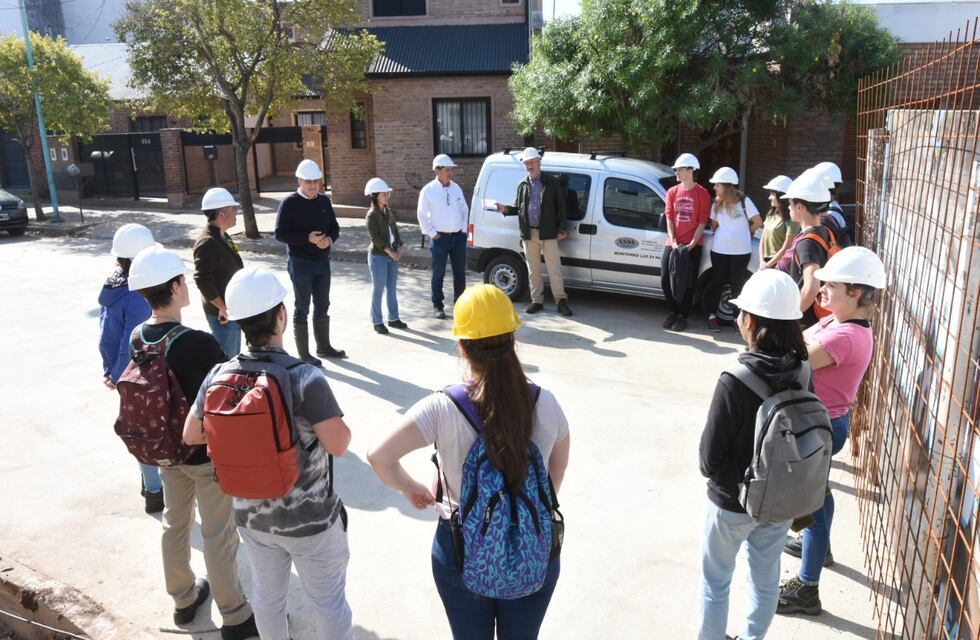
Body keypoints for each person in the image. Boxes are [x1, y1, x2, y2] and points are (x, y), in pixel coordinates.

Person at [367, 284, 571, 640]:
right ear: (513, 337)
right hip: (534, 550)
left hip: (461, 548)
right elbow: (557, 469)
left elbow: (379, 456)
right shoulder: (547, 403)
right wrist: (522, 514)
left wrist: (409, 487)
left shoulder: (443, 407)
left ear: (462, 346)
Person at [184, 267, 354, 640]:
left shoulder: (218, 374)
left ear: (238, 321)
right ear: (281, 315)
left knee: (268, 598)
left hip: (252, 518)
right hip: (311, 523)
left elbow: (191, 433)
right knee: (328, 604)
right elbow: (339, 443)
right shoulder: (304, 377)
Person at [127, 246, 257, 640]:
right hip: (203, 455)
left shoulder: (139, 337)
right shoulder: (196, 343)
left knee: (174, 524)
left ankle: (183, 600)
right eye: (182, 281)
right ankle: (234, 615)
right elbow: (231, 389)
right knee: (218, 534)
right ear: (175, 286)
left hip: (164, 452)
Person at [698, 268, 809, 640]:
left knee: (716, 582)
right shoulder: (804, 370)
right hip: (779, 500)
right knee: (764, 582)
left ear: (750, 321)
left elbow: (707, 459)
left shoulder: (734, 379)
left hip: (731, 501)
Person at [777, 247, 886, 616]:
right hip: (820, 423)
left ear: (855, 293)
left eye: (830, 285)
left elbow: (793, 358)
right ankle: (818, 549)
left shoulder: (846, 337)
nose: (820, 290)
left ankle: (807, 587)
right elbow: (801, 341)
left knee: (814, 502)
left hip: (820, 427)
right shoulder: (836, 323)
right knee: (818, 496)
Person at [98, 223, 164, 513]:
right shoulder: (137, 293)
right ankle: (155, 491)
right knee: (149, 431)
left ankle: (147, 483)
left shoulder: (114, 285)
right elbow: (132, 341)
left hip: (119, 371)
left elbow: (107, 336)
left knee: (138, 428)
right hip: (138, 374)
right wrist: (124, 375)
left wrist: (110, 370)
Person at [274, 159, 345, 364]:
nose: (313, 185)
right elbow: (280, 233)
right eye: (308, 182)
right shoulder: (289, 203)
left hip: (322, 261)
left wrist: (330, 239)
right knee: (302, 306)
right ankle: (304, 355)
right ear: (299, 181)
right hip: (300, 262)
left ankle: (324, 347)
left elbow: (334, 227)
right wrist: (308, 238)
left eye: (316, 181)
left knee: (323, 303)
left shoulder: (324, 201)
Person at [495, 147, 573, 317]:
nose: (529, 165)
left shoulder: (551, 183)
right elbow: (518, 207)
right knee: (533, 270)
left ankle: (561, 301)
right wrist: (506, 209)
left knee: (554, 269)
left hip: (549, 233)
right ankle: (537, 301)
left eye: (532, 162)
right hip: (529, 234)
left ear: (539, 162)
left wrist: (562, 228)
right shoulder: (522, 185)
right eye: (526, 163)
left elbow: (561, 208)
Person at [705, 167, 762, 333]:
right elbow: (714, 225)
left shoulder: (744, 201)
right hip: (719, 251)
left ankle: (738, 321)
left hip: (741, 252)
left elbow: (758, 221)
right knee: (717, 284)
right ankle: (711, 317)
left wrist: (745, 232)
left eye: (717, 185)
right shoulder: (716, 203)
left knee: (738, 286)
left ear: (727, 186)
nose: (714, 188)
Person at [661, 152, 711, 332]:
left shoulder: (703, 194)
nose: (676, 173)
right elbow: (669, 218)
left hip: (693, 245)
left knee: (688, 282)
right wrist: (673, 241)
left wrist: (691, 244)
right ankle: (673, 311)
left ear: (690, 170)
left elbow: (702, 222)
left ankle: (682, 316)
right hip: (672, 244)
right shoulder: (672, 192)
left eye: (679, 170)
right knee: (666, 278)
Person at [781, 170, 837, 327]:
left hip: (805, 322)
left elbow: (811, 288)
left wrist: (789, 319)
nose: (788, 208)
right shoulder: (823, 230)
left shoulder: (807, 243)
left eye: (790, 204)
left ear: (799, 207)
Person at [193, 187, 244, 357]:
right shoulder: (207, 242)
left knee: (234, 357)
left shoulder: (223, 235)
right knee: (227, 361)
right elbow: (202, 280)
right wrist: (222, 307)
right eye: (232, 209)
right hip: (222, 315)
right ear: (221, 215)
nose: (236, 212)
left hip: (232, 309)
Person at [418, 153, 469, 319]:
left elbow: (464, 210)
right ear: (437, 171)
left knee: (459, 273)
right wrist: (432, 233)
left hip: (458, 238)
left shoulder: (456, 188)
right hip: (440, 239)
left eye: (451, 170)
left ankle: (460, 305)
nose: (450, 173)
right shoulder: (428, 191)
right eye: (447, 169)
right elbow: (422, 215)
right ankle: (438, 306)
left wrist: (463, 230)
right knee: (438, 273)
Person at [364, 177, 407, 334]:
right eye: (384, 194)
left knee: (392, 289)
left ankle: (394, 319)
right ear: (375, 196)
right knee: (378, 289)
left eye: (387, 194)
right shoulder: (371, 216)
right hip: (378, 257)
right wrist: (390, 251)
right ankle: (377, 321)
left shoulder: (387, 211)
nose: (387, 196)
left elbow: (395, 231)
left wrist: (399, 247)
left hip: (392, 255)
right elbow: (375, 238)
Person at [758, 175, 800, 270]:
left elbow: (787, 247)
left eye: (772, 194)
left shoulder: (792, 219)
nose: (769, 197)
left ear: (781, 196)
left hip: (781, 265)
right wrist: (762, 261)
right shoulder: (771, 214)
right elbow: (763, 239)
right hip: (765, 263)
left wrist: (768, 265)